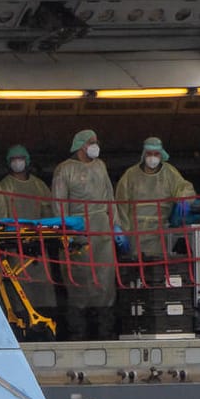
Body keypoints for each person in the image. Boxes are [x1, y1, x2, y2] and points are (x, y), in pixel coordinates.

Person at [52, 130, 121, 340]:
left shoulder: (100, 166)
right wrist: (66, 232)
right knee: (79, 280)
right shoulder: (65, 170)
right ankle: (78, 332)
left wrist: (116, 225)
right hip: (78, 230)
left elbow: (110, 197)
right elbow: (59, 204)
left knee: (105, 280)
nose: (96, 146)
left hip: (102, 231)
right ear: (81, 145)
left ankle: (105, 331)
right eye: (92, 142)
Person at [113, 137, 196, 284]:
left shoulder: (169, 173)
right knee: (136, 275)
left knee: (157, 275)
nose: (152, 158)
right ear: (144, 154)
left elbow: (185, 188)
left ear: (161, 154)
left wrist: (184, 200)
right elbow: (121, 205)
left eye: (156, 154)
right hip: (135, 233)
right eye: (149, 153)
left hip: (160, 234)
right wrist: (120, 229)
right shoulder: (130, 175)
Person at [0, 145, 59, 326]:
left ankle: (46, 319)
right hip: (15, 244)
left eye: (21, 158)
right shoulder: (5, 186)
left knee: (42, 285)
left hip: (38, 243)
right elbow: (1, 213)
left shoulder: (38, 185)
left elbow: (48, 211)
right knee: (19, 284)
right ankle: (23, 319)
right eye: (14, 159)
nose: (18, 162)